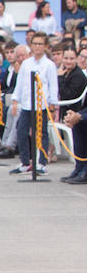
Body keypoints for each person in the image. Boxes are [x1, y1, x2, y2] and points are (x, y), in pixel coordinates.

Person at [10, 31, 59, 175]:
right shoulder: (26, 63)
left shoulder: (49, 65)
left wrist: (52, 103)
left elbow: (52, 85)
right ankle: (26, 162)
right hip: (26, 104)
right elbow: (20, 84)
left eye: (40, 44)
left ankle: (42, 163)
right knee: (22, 132)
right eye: (35, 44)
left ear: (45, 46)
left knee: (42, 134)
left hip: (41, 105)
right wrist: (15, 100)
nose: (37, 47)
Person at [61, 48, 87, 183]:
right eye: (81, 56)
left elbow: (68, 95)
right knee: (78, 124)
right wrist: (77, 115)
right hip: (80, 111)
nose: (83, 60)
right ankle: (80, 167)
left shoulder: (78, 76)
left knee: (80, 119)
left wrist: (80, 115)